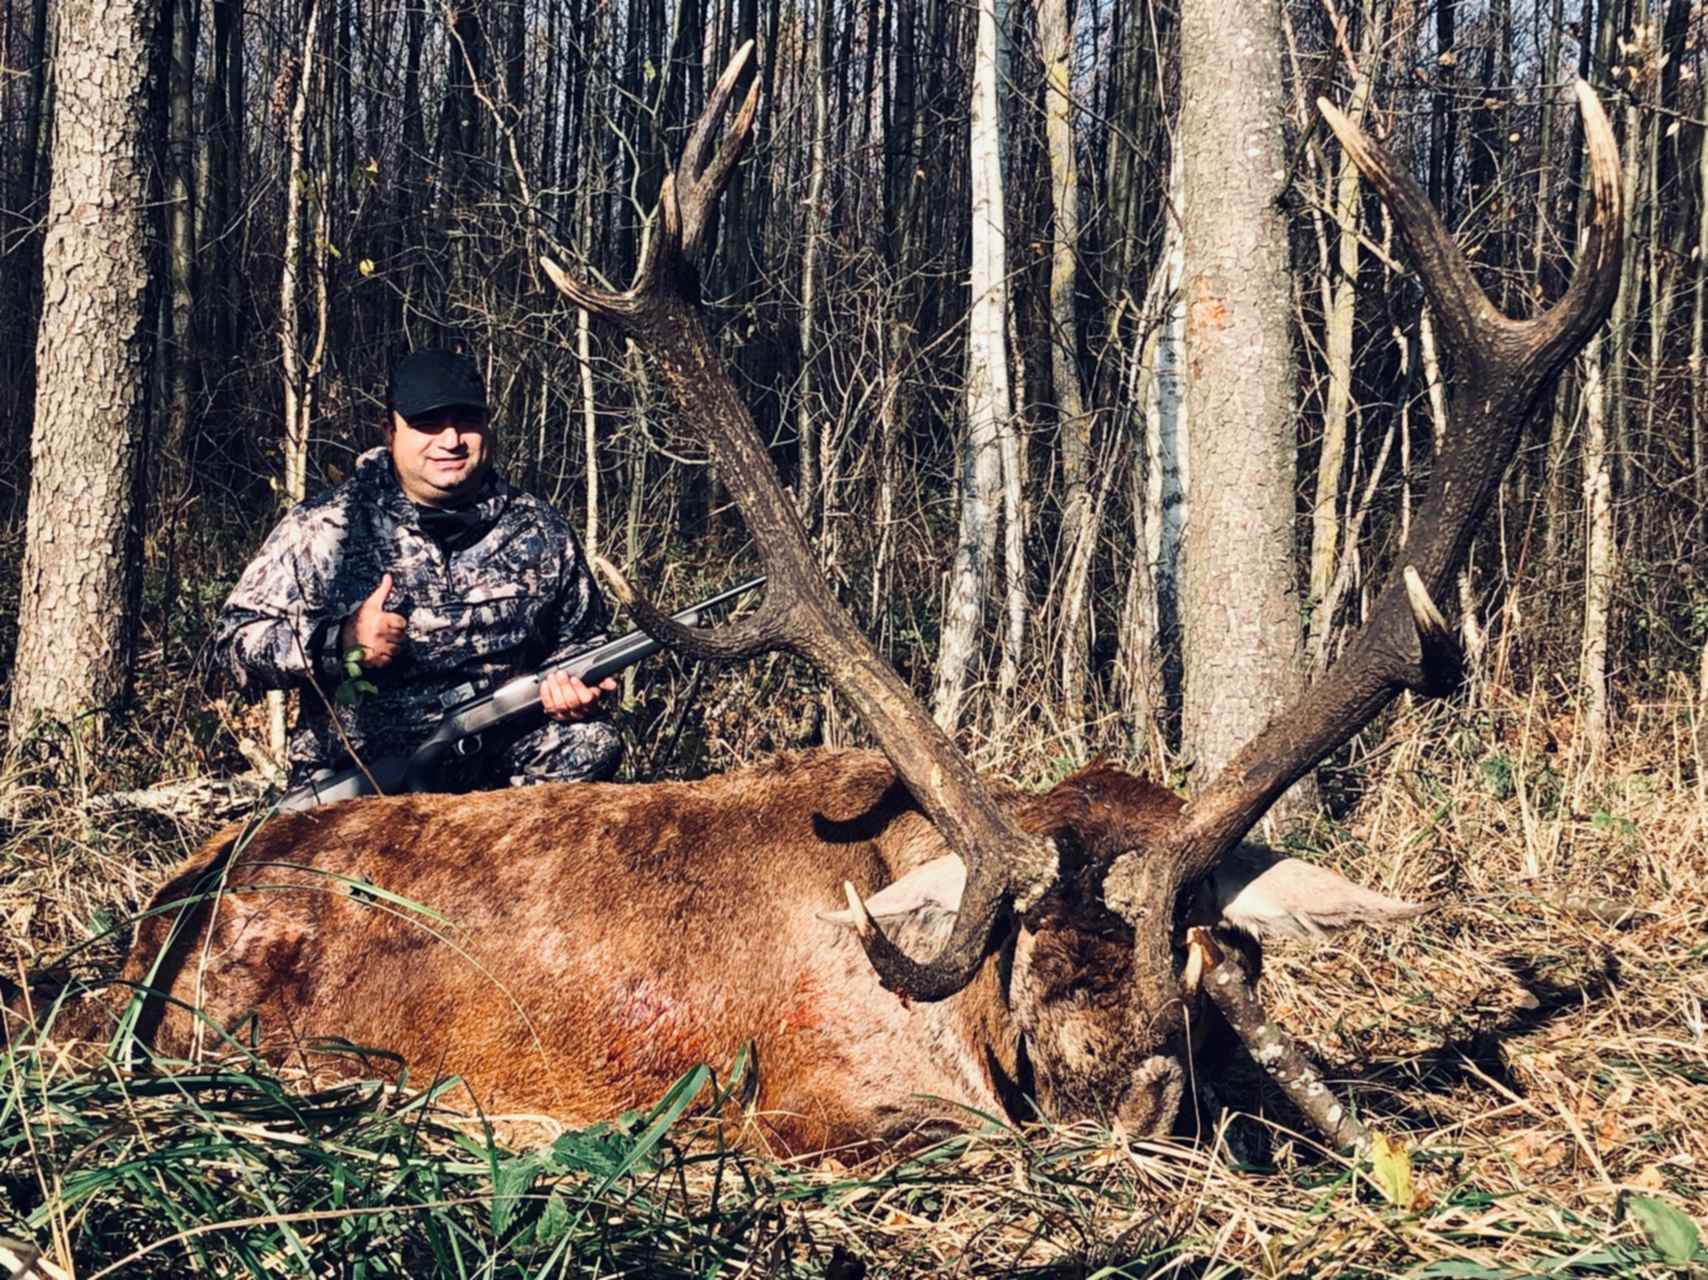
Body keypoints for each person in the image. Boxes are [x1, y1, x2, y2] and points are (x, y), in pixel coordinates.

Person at [214, 349, 622, 790]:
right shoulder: (326, 527)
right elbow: (233, 644)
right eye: (428, 423)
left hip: (500, 765)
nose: (451, 440)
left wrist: (572, 692)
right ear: (390, 431)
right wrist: (339, 643)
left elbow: (583, 639)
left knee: (590, 743)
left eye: (466, 420)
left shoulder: (540, 529)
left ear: (487, 427)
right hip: (364, 770)